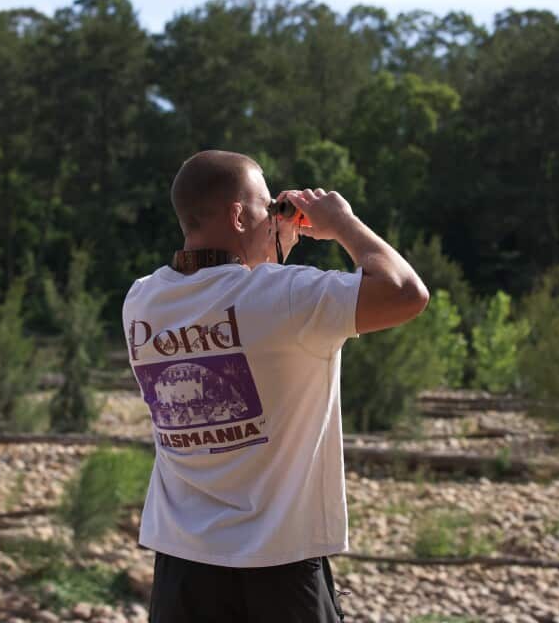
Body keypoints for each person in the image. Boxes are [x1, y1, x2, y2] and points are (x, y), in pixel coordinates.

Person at [122, 150, 429, 622]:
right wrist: (342, 222)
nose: (275, 217)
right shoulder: (285, 298)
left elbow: (226, 295)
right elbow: (407, 292)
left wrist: (270, 251)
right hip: (281, 568)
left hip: (182, 569)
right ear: (239, 215)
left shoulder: (141, 301)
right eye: (269, 206)